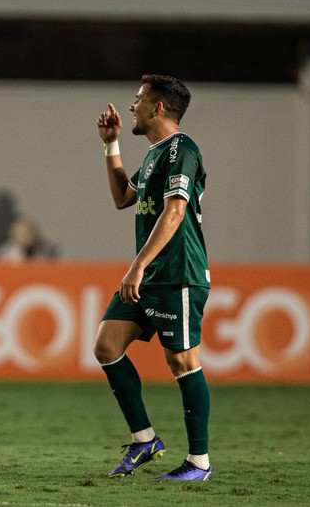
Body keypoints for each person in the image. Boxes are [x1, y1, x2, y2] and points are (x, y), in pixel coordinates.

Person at [93, 74, 212, 481]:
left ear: (158, 107)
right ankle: (145, 440)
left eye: (138, 99)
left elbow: (175, 212)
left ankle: (199, 462)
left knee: (182, 361)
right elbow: (123, 198)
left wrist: (138, 266)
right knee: (107, 345)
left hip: (177, 274)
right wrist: (111, 145)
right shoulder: (155, 154)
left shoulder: (182, 149)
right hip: (150, 276)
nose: (132, 106)